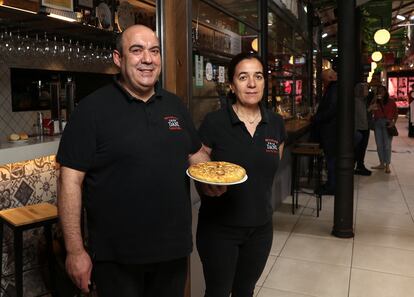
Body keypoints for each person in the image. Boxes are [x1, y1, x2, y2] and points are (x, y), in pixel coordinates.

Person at [56, 24, 224, 297]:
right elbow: (69, 180)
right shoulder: (91, 110)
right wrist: (75, 251)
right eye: (137, 50)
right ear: (118, 58)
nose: (147, 59)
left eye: (154, 51)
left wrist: (212, 177)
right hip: (117, 257)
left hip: (173, 250)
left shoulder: (174, 105)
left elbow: (195, 154)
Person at [196, 52, 286, 297]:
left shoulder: (276, 123)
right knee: (217, 292)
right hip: (219, 229)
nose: (251, 84)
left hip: (260, 229)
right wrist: (205, 186)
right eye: (243, 77)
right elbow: (198, 166)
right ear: (232, 85)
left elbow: (269, 168)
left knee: (245, 291)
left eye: (258, 76)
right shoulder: (214, 122)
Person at [312, 68, 337, 195]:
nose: (323, 83)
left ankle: (332, 186)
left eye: (323, 80)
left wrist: (316, 118)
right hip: (332, 131)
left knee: (331, 159)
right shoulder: (335, 89)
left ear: (331, 78)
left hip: (331, 131)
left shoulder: (333, 90)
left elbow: (332, 110)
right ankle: (332, 184)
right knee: (331, 159)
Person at [369, 85, 398, 174]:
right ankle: (382, 163)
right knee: (379, 145)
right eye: (379, 91)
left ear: (386, 92)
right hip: (377, 123)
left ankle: (387, 165)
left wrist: (393, 122)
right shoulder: (376, 102)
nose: (381, 92)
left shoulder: (391, 101)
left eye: (382, 91)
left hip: (387, 123)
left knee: (387, 145)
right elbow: (370, 110)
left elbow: (396, 113)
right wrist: (374, 98)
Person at [354, 82, 372, 176]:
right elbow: (361, 115)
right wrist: (369, 109)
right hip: (360, 128)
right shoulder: (357, 101)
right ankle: (359, 166)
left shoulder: (362, 100)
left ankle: (360, 165)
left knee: (362, 149)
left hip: (363, 127)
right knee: (359, 149)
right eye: (365, 89)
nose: (367, 91)